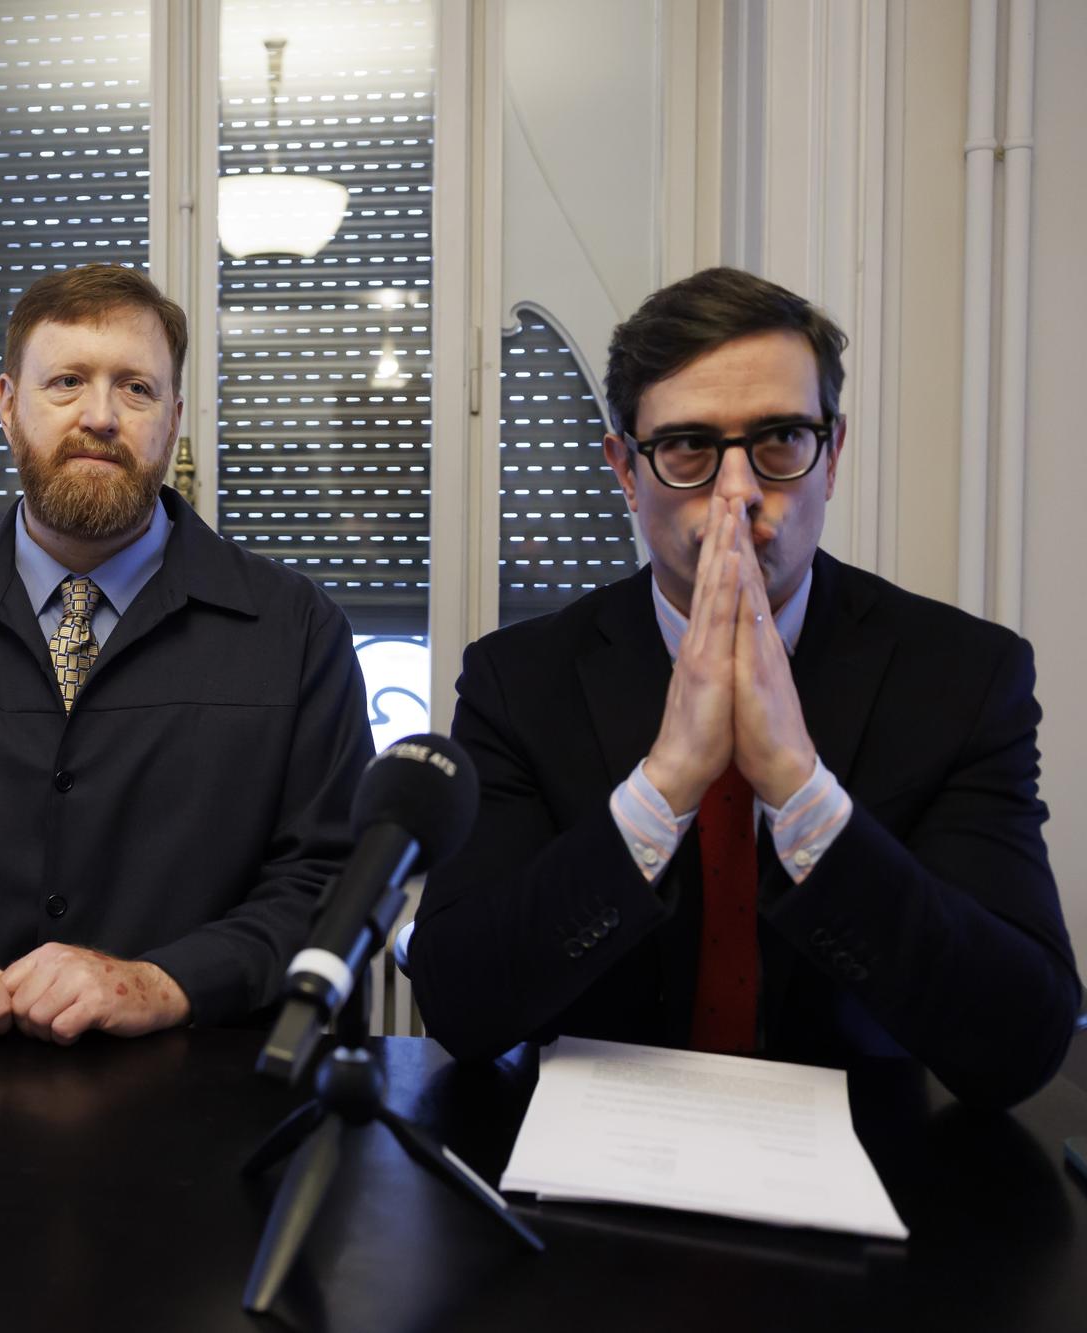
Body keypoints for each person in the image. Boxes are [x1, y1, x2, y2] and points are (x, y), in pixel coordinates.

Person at [402, 267, 1078, 1106]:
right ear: (624, 469)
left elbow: (1021, 1042)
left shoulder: (963, 676)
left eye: (780, 441)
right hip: (586, 1184)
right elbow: (460, 1007)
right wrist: (665, 784)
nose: (737, 493)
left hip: (872, 1180)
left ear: (831, 456)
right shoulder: (519, 678)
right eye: (688, 447)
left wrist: (801, 793)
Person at [0, 265, 372, 1048]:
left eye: (136, 389)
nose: (100, 416)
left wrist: (167, 981)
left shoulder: (296, 631)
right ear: (6, 404)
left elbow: (330, 880)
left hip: (208, 1092)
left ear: (174, 418)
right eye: (66, 381)